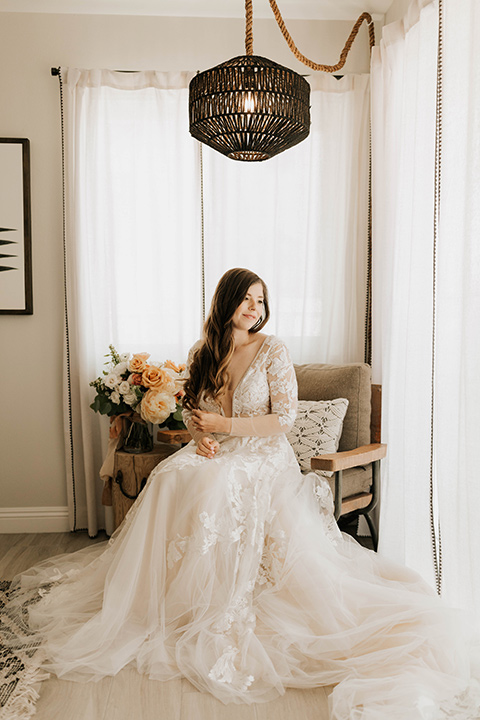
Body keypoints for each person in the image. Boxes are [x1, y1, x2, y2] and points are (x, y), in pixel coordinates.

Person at [4, 268, 480, 719]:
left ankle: (219, 599)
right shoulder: (202, 349)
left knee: (214, 483)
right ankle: (166, 597)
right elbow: (194, 411)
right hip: (219, 449)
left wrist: (226, 426)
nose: (256, 308)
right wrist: (201, 435)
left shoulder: (273, 349)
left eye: (261, 300)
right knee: (174, 476)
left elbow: (285, 419)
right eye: (248, 299)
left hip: (262, 453)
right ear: (227, 301)